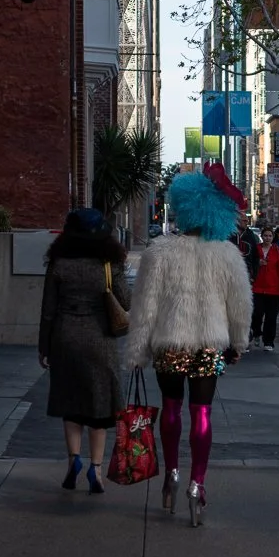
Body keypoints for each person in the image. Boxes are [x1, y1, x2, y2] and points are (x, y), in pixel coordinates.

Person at [125, 167, 252, 524]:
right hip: (209, 344)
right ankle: (198, 483)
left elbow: (144, 307)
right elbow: (240, 306)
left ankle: (172, 473)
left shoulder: (159, 252)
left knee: (170, 407)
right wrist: (239, 341)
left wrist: (137, 350)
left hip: (170, 343)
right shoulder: (227, 255)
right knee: (202, 412)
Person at [38, 208, 128, 495]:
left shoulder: (59, 262)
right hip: (100, 339)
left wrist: (44, 347)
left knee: (71, 400)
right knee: (99, 407)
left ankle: (73, 460)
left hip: (65, 337)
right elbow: (125, 300)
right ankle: (96, 469)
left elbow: (48, 311)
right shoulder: (108, 263)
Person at [250, 225, 279, 349]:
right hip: (257, 288)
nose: (267, 238)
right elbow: (248, 264)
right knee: (256, 314)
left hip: (274, 289)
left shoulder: (278, 251)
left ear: (273, 237)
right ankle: (256, 333)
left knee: (271, 317)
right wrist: (257, 263)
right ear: (261, 237)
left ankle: (268, 341)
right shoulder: (255, 250)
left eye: (270, 236)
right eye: (265, 236)